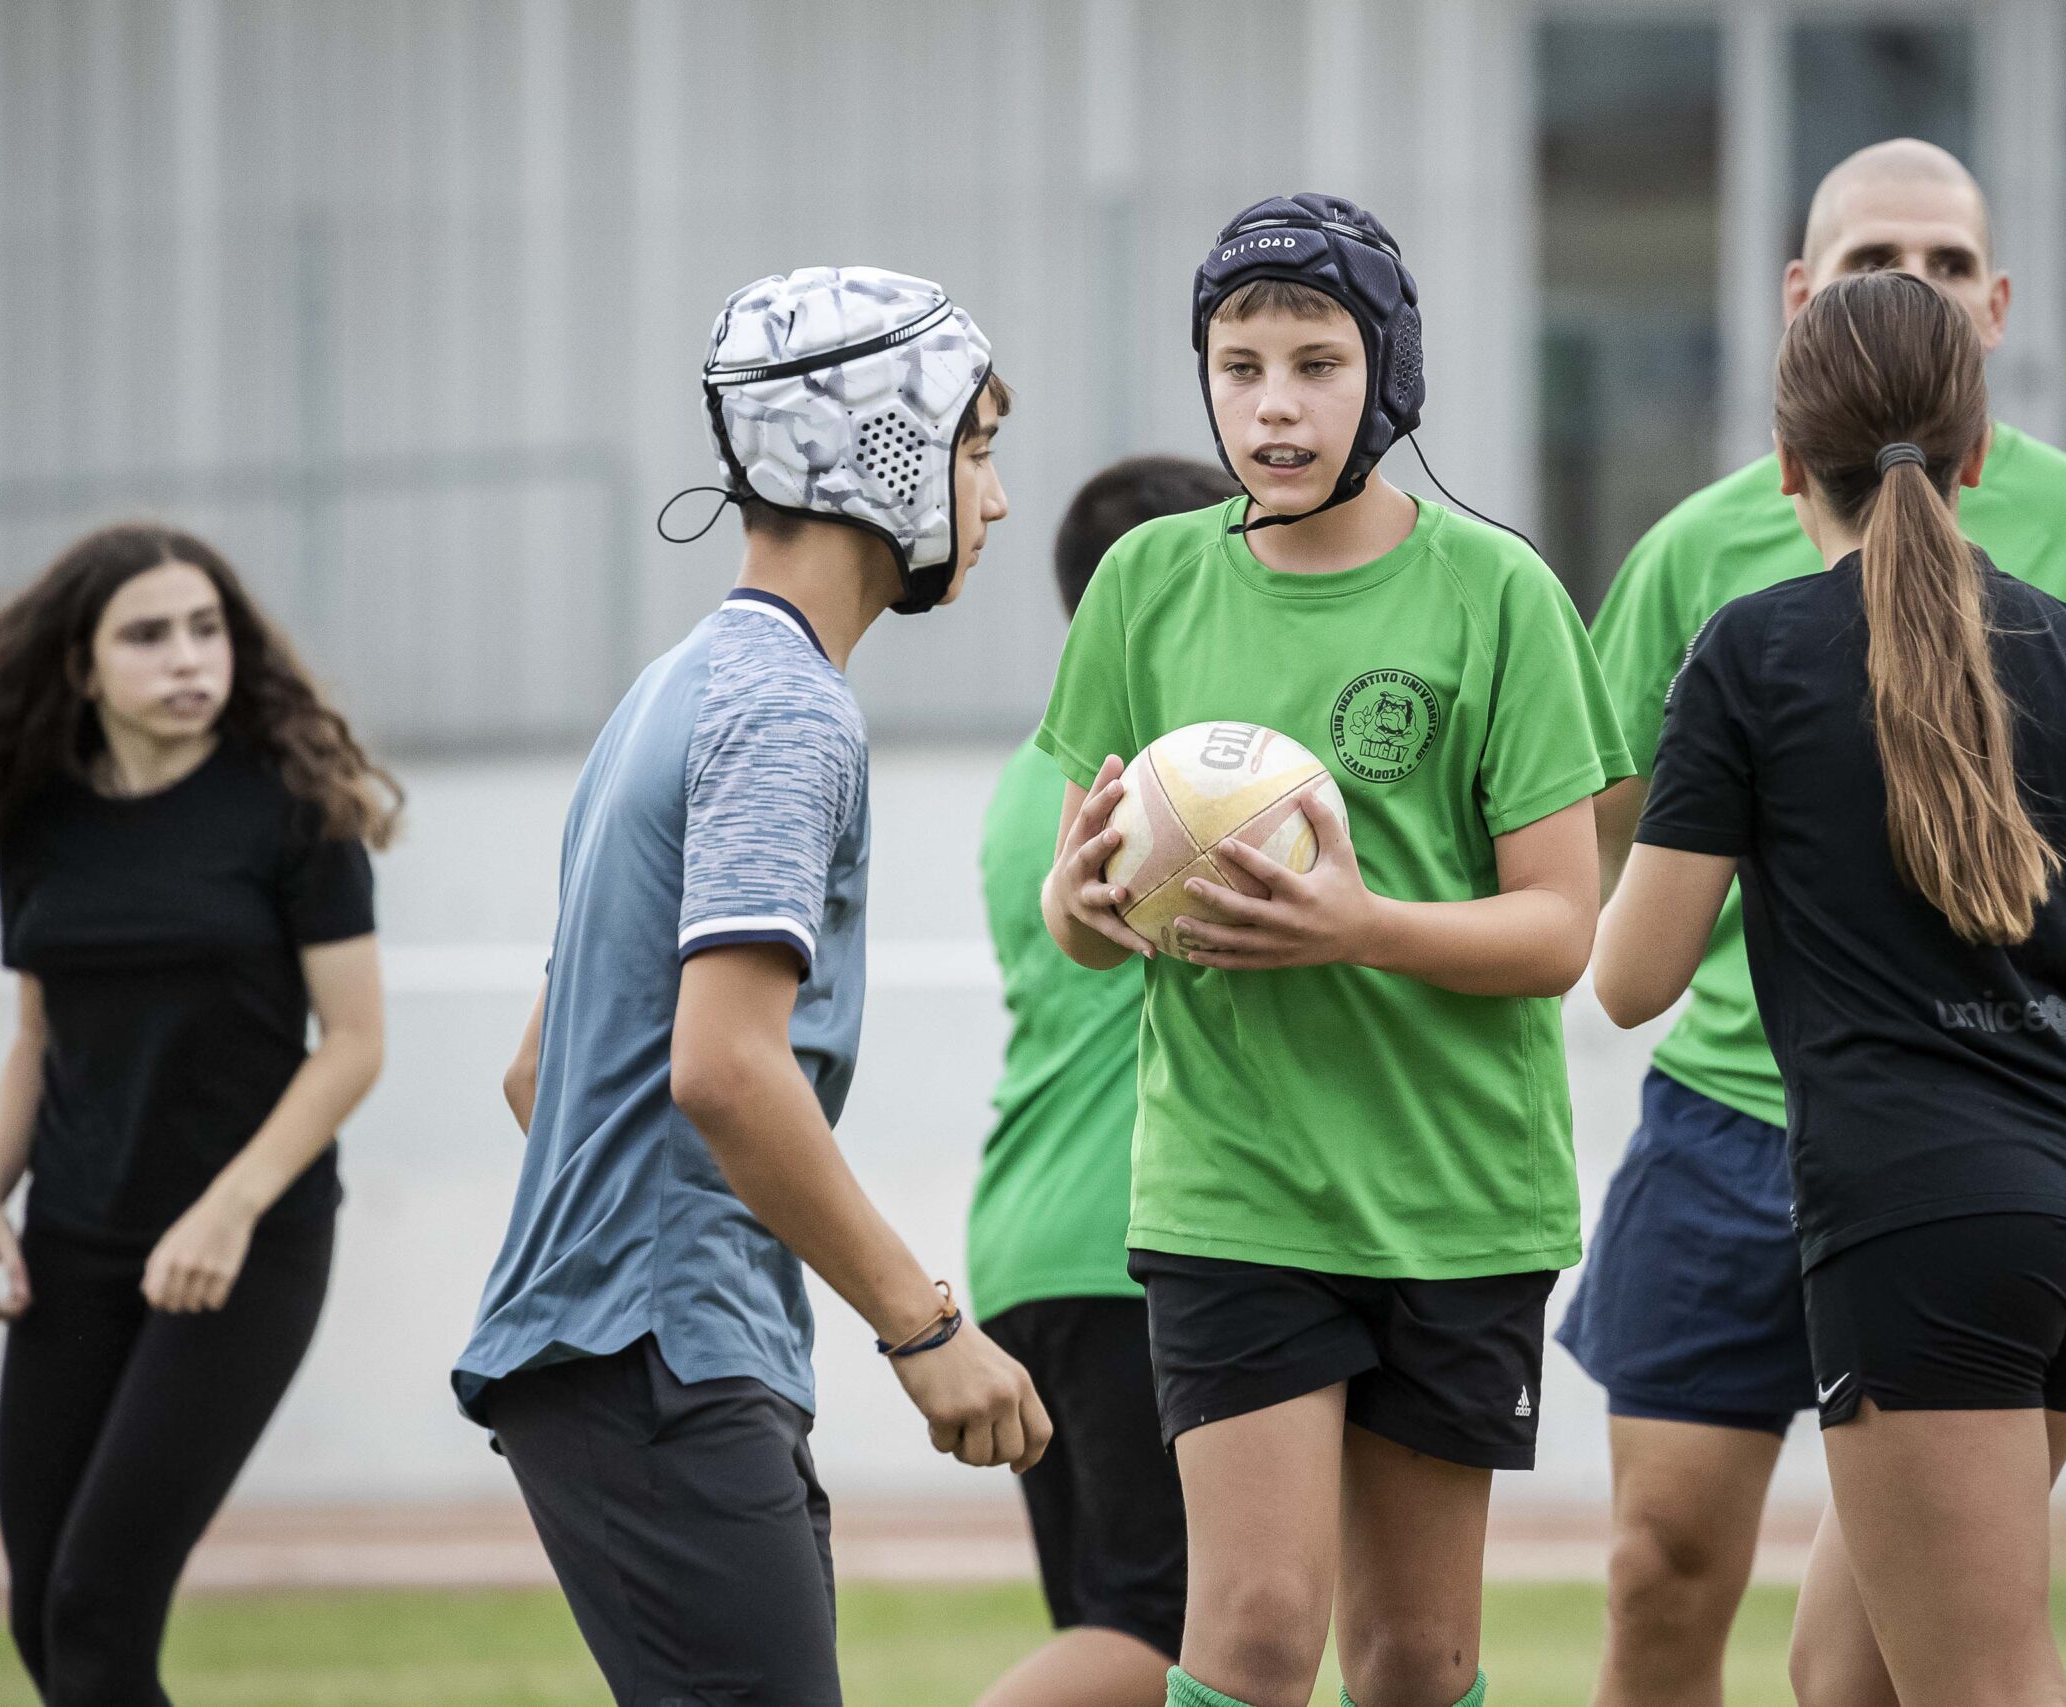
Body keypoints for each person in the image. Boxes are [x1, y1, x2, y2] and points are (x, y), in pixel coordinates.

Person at [1556, 138, 2066, 1707]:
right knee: (1714, 1594)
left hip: (1958, 1149)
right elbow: (1600, 839)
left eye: (1943, 262)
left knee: (1942, 1655)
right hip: (1743, 1122)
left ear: (1996, 305)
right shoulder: (1693, 561)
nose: (1912, 287)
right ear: (1803, 302)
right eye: (1876, 261)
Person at [1040, 194, 1632, 1707]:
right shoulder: (1145, 584)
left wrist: (1357, 926)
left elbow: (1560, 928)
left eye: (1315, 361)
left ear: (1391, 378)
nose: (1276, 402)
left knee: (1416, 1656)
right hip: (1235, 1185)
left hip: (1457, 1192)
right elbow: (1084, 923)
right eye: (1240, 366)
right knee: (1248, 1629)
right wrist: (1083, 903)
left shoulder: (1498, 592)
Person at [452, 267, 1050, 1706]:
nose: (998, 496)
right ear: (885, 450)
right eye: (973, 447)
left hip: (633, 1347)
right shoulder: (788, 708)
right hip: (658, 1352)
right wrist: (925, 1322)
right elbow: (722, 1065)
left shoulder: (673, 684)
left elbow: (543, 1070)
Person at [0, 524, 394, 1707]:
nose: (189, 658)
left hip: (248, 1246)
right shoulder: (40, 824)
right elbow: (41, 1035)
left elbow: (353, 1046)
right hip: (73, 1243)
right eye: (148, 635)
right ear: (83, 668)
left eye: (208, 631)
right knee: (47, 1622)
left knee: (95, 1607)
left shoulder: (295, 809)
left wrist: (228, 1212)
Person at [971, 455, 1240, 1707]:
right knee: (1167, 1633)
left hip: (1026, 1237)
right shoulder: (1189, 779)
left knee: (1110, 1626)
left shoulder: (1038, 776)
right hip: (1134, 1236)